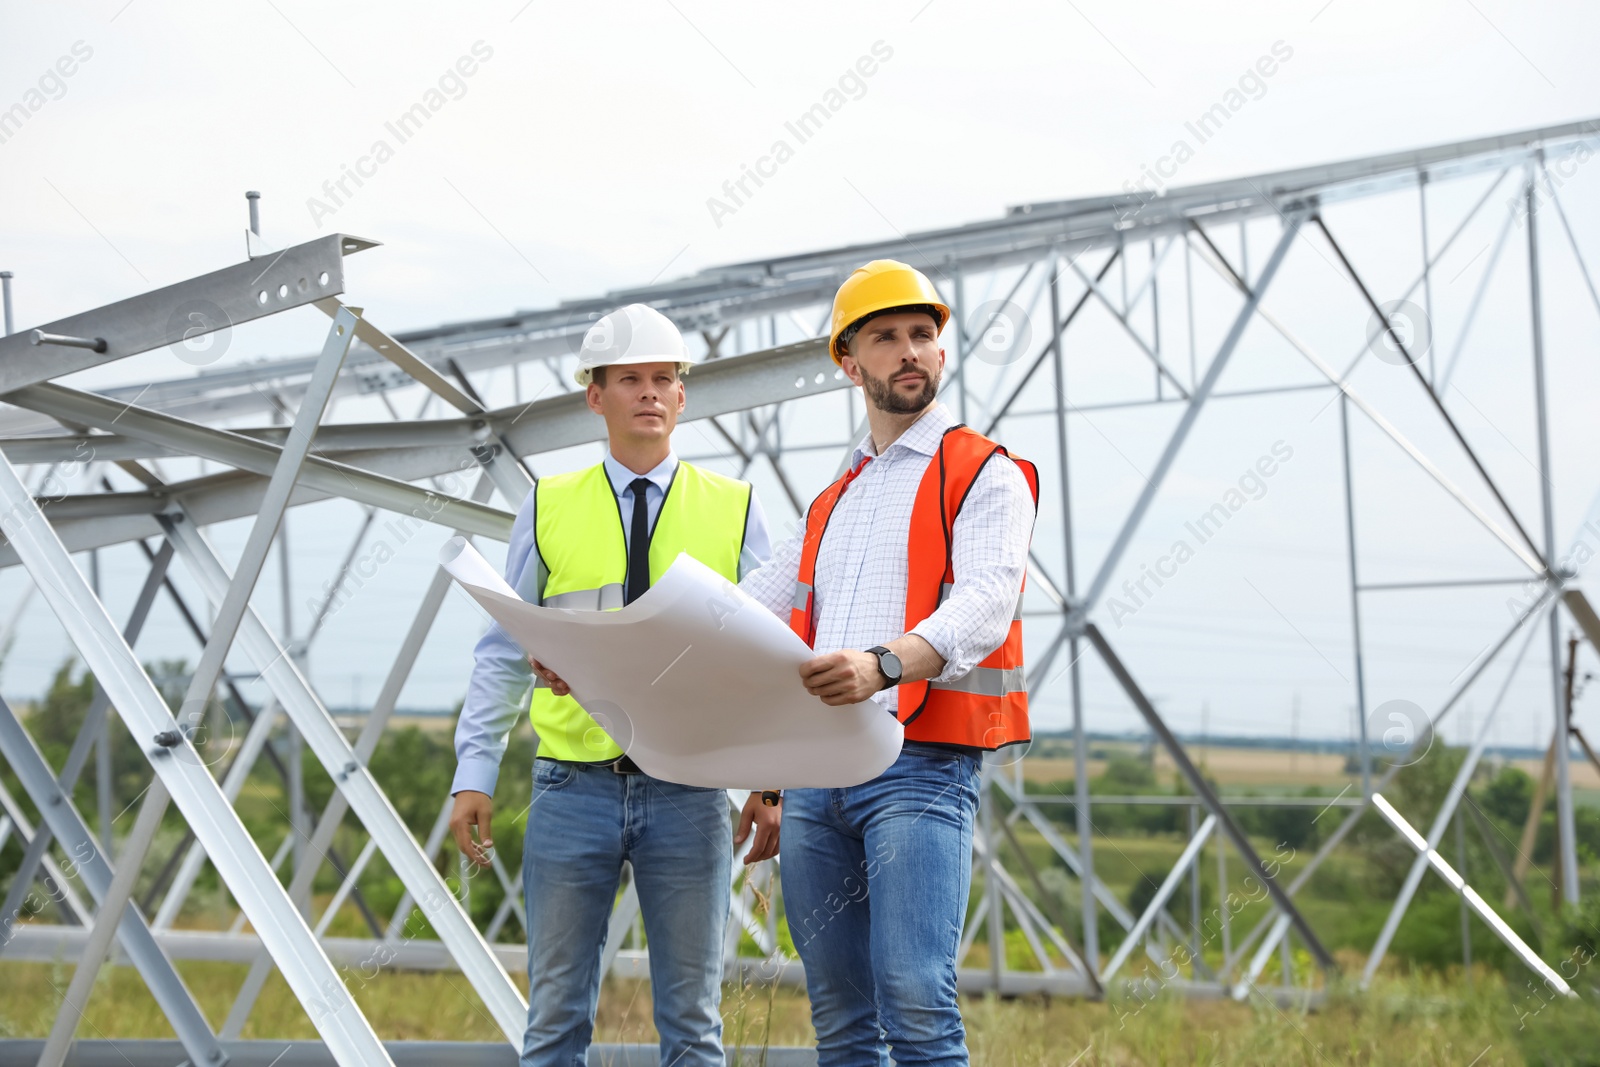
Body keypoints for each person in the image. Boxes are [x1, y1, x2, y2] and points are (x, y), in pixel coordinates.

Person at [449, 303, 783, 1067]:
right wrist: (475, 773)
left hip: (691, 792)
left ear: (682, 395)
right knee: (556, 1021)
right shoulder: (547, 505)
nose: (650, 393)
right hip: (572, 786)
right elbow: (503, 647)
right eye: (629, 379)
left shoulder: (735, 508)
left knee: (693, 1026)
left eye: (664, 379)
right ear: (594, 396)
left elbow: (770, 653)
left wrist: (771, 782)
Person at [740, 260, 1040, 1066]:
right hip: (813, 781)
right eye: (886, 337)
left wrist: (883, 664)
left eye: (922, 335)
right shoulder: (835, 499)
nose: (910, 350)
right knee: (839, 1014)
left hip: (921, 765)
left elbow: (984, 600)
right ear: (850, 362)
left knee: (914, 1000)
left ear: (940, 354)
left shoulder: (984, 471)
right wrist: (611, 649)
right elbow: (743, 612)